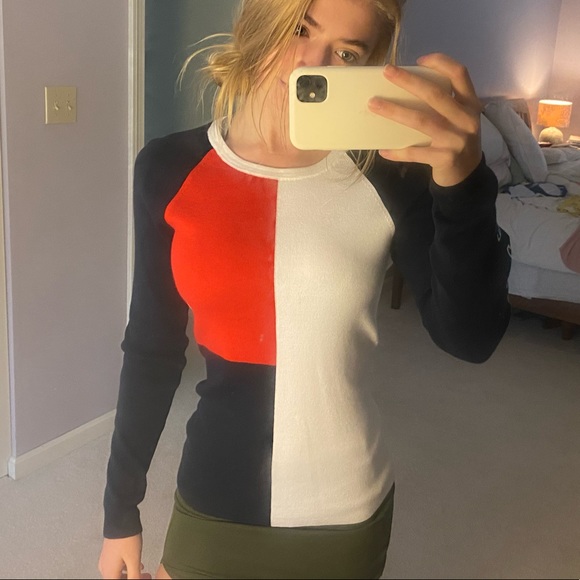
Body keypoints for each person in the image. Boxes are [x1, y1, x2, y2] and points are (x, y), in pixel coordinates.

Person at [98, 0, 511, 578]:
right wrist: (120, 509)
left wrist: (465, 186)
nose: (309, 64)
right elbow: (151, 348)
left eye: (347, 53)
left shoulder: (391, 175)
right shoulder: (168, 168)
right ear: (258, 21)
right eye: (299, 29)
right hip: (213, 495)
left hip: (343, 511)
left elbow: (470, 338)